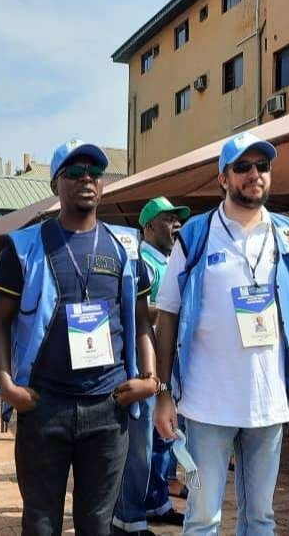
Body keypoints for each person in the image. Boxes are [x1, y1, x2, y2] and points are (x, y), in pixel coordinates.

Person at [0, 139, 158, 535]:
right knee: (41, 522)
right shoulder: (24, 247)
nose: (87, 180)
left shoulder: (126, 247)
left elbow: (141, 321)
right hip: (44, 406)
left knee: (96, 523)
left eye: (95, 173)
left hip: (109, 406)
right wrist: (6, 386)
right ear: (55, 184)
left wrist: (150, 380)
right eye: (75, 173)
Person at [153, 131, 289, 535]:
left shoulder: (286, 235)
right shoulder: (195, 235)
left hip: (268, 404)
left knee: (260, 518)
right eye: (242, 167)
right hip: (204, 406)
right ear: (223, 178)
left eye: (262, 166)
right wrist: (163, 393)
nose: (254, 174)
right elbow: (167, 315)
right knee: (201, 516)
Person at [113, 196, 190, 534]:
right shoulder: (141, 261)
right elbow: (137, 311)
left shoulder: (172, 260)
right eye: (168, 219)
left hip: (167, 363)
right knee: (141, 444)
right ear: (148, 227)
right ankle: (130, 517)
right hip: (145, 366)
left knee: (163, 439)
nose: (176, 224)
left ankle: (157, 502)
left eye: (177, 218)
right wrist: (174, 308)